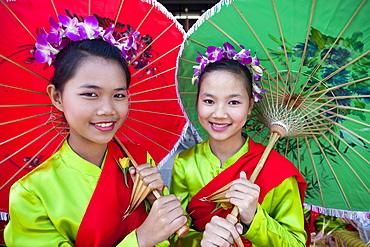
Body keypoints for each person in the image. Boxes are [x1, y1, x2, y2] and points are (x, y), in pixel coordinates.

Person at [4, 15, 187, 247]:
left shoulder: (139, 161)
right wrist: (141, 239)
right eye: (91, 94)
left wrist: (157, 203)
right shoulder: (32, 193)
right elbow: (149, 236)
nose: (107, 109)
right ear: (57, 97)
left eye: (119, 95)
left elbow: (167, 236)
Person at [170, 43, 309, 246]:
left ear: (251, 105)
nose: (219, 114)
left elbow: (297, 243)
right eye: (209, 101)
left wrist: (254, 217)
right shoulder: (185, 162)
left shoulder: (277, 170)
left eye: (233, 102)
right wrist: (201, 241)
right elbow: (175, 235)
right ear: (197, 101)